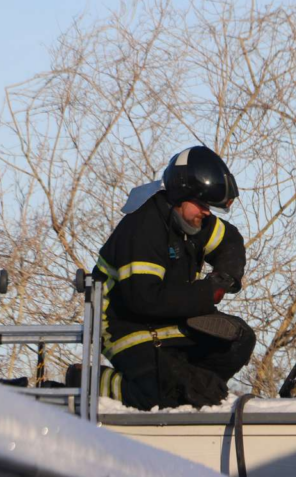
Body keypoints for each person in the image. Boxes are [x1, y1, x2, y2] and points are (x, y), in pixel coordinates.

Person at [89, 145, 254, 410]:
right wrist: (206, 293)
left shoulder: (192, 221)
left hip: (168, 322)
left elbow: (230, 240)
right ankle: (93, 383)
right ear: (180, 194)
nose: (207, 212)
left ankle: (188, 389)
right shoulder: (143, 228)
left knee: (240, 340)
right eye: (202, 204)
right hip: (123, 327)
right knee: (160, 393)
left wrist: (224, 278)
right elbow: (144, 300)